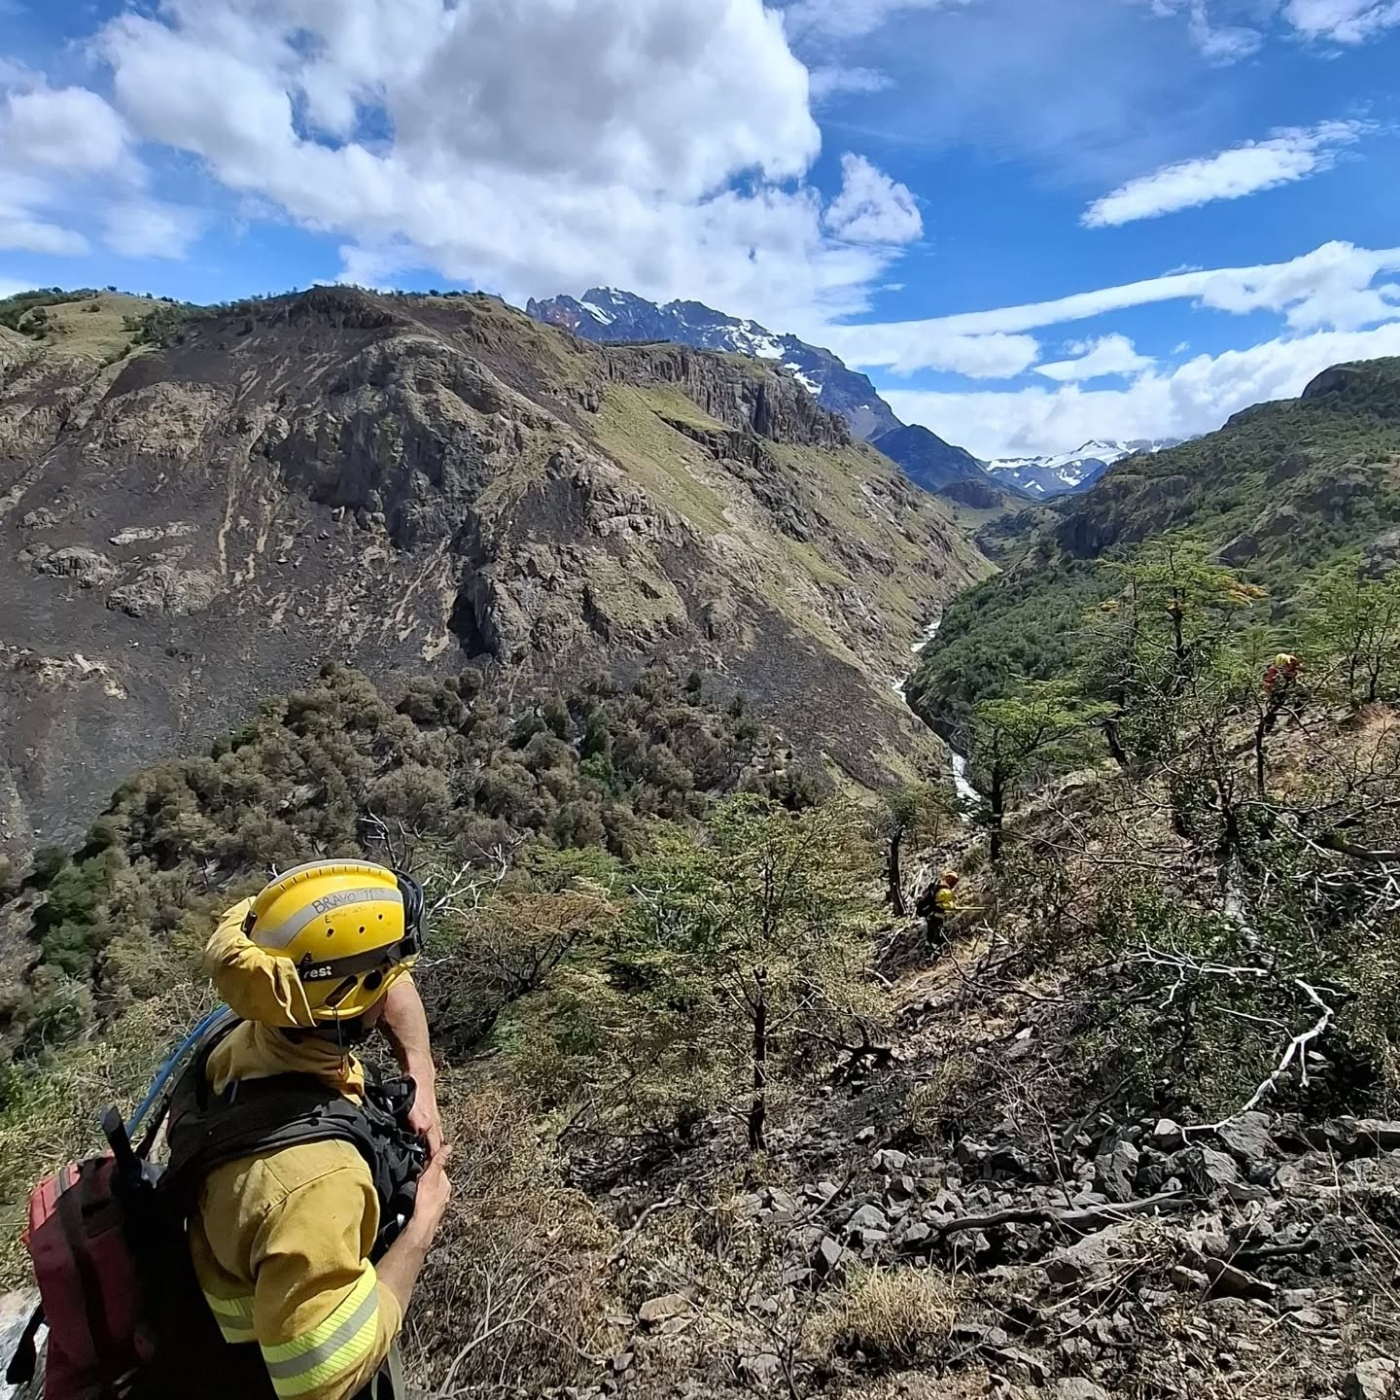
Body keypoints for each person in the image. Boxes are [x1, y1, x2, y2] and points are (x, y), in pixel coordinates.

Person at [190, 860, 452, 1400]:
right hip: (256, 1371)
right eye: (382, 973)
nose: (395, 983)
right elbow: (323, 1380)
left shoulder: (252, 1026)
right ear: (348, 1001)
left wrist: (419, 1076)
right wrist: (422, 1222)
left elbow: (381, 987)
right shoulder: (316, 1183)